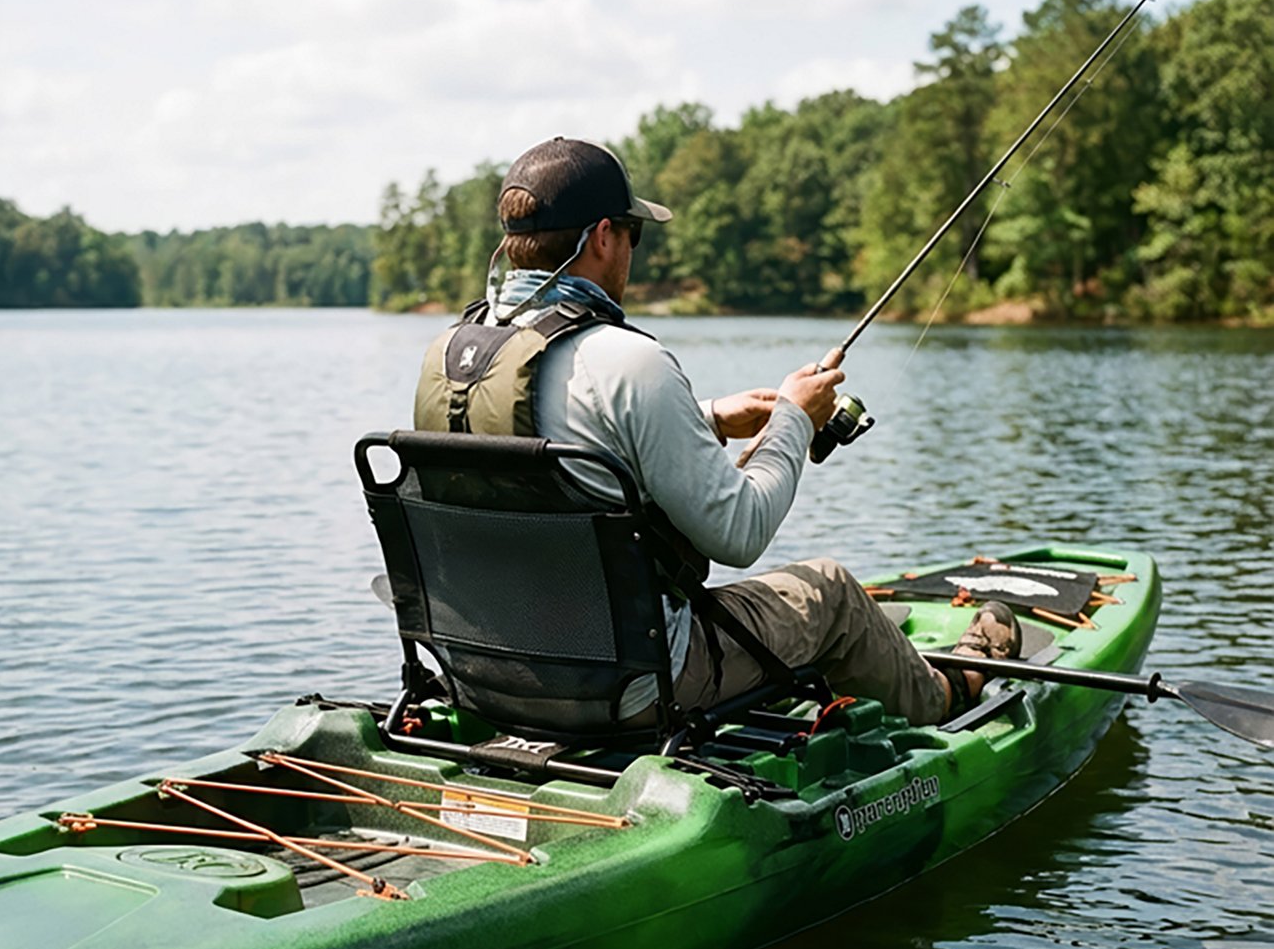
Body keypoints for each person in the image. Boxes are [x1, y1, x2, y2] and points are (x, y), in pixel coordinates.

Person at [413, 135, 1019, 727]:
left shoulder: (450, 361)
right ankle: (948, 692)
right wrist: (792, 418)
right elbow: (738, 533)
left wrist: (704, 417)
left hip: (483, 677)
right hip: (632, 689)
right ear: (603, 236)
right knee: (831, 592)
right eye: (633, 233)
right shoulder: (629, 363)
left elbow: (554, 457)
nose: (633, 251)